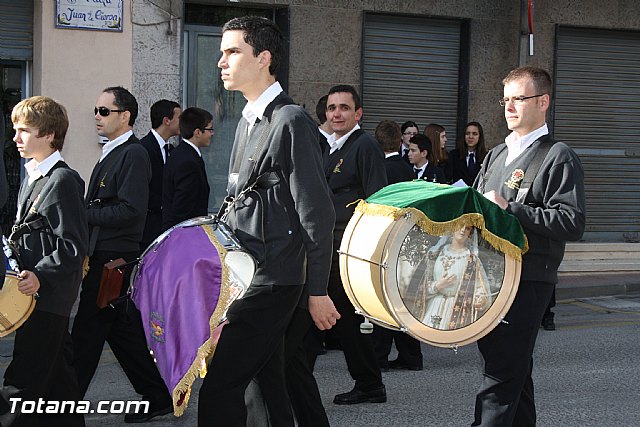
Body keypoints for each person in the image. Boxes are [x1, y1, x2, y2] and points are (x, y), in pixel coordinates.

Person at [198, 16, 338, 427]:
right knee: (267, 383)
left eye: (232, 51)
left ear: (263, 58)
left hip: (274, 279)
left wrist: (317, 291)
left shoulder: (290, 120)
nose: (221, 62)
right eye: (222, 52)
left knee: (222, 386)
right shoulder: (248, 121)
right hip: (249, 274)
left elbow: (317, 213)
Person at [472, 66, 586, 426]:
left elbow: (571, 221)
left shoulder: (558, 156)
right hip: (490, 275)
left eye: (518, 98)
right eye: (505, 99)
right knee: (513, 372)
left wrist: (512, 209)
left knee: (500, 375)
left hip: (529, 278)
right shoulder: (494, 155)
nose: (508, 107)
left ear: (543, 102)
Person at [71, 86, 173, 423]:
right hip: (106, 256)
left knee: (85, 335)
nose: (97, 117)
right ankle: (158, 396)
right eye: (96, 111)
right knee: (119, 331)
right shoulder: (112, 150)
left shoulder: (132, 153)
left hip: (113, 259)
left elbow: (131, 210)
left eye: (104, 111)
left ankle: (64, 409)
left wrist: (82, 213)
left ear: (125, 116)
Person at [1, 96, 88, 427]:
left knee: (21, 383)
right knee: (59, 385)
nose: (16, 138)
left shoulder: (63, 181)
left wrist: (39, 275)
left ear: (50, 134)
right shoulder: (35, 176)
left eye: (25, 131)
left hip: (47, 299)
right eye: (15, 130)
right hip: (36, 297)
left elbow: (73, 245)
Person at [313, 84, 388, 405]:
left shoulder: (365, 145)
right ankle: (369, 383)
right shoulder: (328, 146)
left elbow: (377, 200)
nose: (337, 114)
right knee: (336, 320)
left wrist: (366, 250)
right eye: (332, 108)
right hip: (324, 246)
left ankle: (369, 384)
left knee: (341, 318)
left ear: (358, 113)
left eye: (344, 108)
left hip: (346, 249)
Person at [372, 119, 423, 371]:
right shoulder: (406, 168)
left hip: (386, 239)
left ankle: (379, 355)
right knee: (403, 297)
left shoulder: (380, 168)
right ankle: (411, 354)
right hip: (407, 240)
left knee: (383, 298)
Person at [404, 226, 491, 330]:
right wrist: (437, 286)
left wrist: (480, 299)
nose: (462, 230)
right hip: (433, 306)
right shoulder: (435, 254)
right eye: (460, 225)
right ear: (453, 227)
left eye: (467, 228)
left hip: (456, 310)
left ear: (470, 234)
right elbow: (420, 284)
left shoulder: (471, 259)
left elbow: (480, 287)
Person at [139, 99, 181, 250]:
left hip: (163, 227)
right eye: (179, 118)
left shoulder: (172, 150)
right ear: (166, 121)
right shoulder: (143, 148)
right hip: (147, 229)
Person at [162, 107, 212, 230]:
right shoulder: (188, 162)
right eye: (210, 129)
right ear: (197, 132)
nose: (212, 133)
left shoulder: (182, 153)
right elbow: (183, 209)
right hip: (185, 235)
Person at [447, 121, 487, 186]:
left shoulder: (486, 156)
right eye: (467, 133)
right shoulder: (454, 155)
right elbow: (448, 178)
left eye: (474, 134)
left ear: (480, 137)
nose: (470, 136)